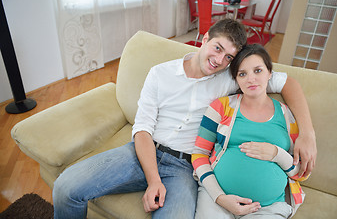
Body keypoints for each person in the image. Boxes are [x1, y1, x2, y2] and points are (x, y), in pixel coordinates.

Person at [52, 19, 316, 219]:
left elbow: (286, 83)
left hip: (186, 170)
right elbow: (142, 129)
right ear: (204, 38)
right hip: (142, 152)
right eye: (217, 48)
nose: (218, 60)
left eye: (228, 57)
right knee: (65, 187)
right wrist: (153, 179)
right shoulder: (160, 73)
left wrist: (307, 134)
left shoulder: (232, 78)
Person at [192, 44, 309, 219]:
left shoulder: (288, 116)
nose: (251, 79)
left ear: (270, 73)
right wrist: (220, 197)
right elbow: (199, 154)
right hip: (217, 199)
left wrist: (277, 154)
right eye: (242, 74)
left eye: (258, 71)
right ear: (236, 79)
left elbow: (301, 173)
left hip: (268, 209)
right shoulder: (221, 107)